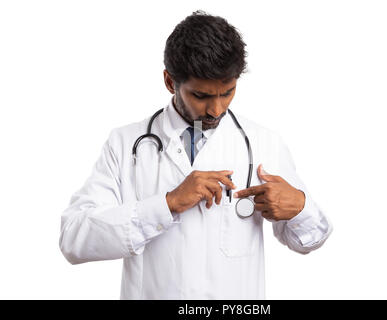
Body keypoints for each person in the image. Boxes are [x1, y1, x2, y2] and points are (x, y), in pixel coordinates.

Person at [59, 10, 333, 300]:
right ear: (169, 82)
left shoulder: (263, 142)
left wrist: (300, 208)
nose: (216, 109)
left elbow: (309, 240)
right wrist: (167, 204)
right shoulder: (126, 143)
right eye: (201, 96)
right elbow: (74, 239)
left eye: (227, 92)